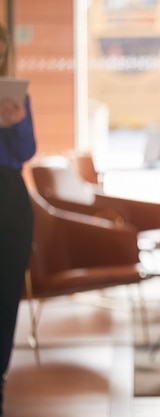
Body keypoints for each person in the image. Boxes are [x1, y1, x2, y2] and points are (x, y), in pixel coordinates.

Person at [0, 24, 36, 415]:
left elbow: (26, 150)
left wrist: (17, 119)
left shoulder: (15, 92)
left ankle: (0, 374)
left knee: (7, 296)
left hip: (9, 195)